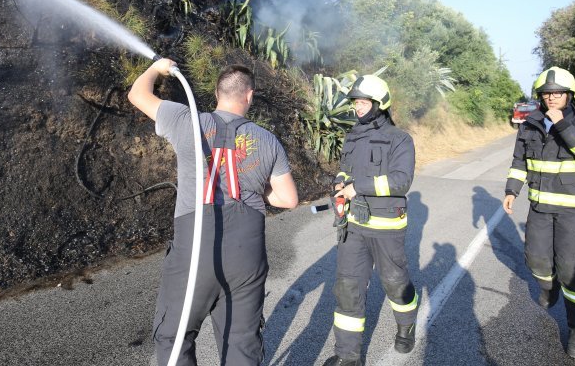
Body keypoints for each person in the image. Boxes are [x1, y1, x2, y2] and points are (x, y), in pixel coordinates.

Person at [128, 59, 298, 365]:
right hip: (247, 255)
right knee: (241, 343)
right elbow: (287, 198)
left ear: (217, 94)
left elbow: (137, 95)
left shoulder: (186, 119)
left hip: (195, 251)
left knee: (174, 337)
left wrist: (157, 68)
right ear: (249, 96)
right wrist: (253, 185)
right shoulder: (268, 140)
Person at [502, 67, 575, 361]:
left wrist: (562, 126)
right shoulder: (530, 124)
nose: (552, 98)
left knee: (571, 272)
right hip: (540, 207)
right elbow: (519, 161)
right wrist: (512, 190)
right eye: (547, 93)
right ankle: (549, 288)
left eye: (558, 93)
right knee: (535, 259)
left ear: (570, 95)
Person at [323, 75, 419, 366]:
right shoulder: (352, 136)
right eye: (355, 102)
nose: (358, 107)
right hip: (354, 226)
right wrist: (340, 186)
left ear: (380, 103)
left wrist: (357, 186)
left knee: (394, 283)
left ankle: (406, 327)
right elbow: (344, 171)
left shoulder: (400, 139)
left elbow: (401, 181)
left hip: (387, 227)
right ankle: (348, 356)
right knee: (347, 288)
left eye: (364, 102)